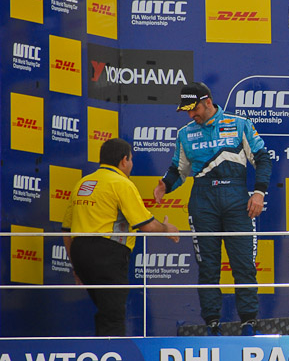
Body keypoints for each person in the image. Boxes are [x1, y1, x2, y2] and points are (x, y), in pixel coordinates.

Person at [153, 81, 272, 336]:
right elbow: (178, 169)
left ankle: (249, 322)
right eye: (186, 111)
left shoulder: (239, 124)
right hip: (203, 200)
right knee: (208, 267)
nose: (190, 115)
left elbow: (262, 158)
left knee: (243, 265)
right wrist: (165, 185)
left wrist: (259, 192)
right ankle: (212, 324)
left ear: (208, 102)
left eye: (193, 109)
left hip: (237, 199)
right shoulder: (185, 133)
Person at [62, 137, 180, 337]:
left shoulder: (83, 183)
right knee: (113, 316)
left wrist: (76, 266)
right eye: (131, 159)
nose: (131, 164)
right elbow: (146, 225)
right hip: (107, 254)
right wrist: (166, 228)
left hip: (79, 252)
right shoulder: (121, 183)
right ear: (124, 160)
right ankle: (112, 355)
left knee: (106, 311)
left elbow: (66, 230)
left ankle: (103, 350)